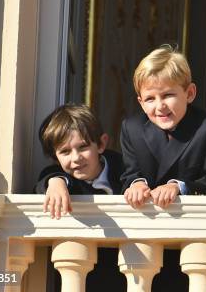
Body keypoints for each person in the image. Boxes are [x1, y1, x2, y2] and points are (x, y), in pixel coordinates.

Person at [120, 45, 206, 209]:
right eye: (150, 99)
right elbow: (130, 173)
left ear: (190, 93)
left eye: (168, 95)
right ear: (141, 103)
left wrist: (178, 186)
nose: (160, 106)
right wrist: (136, 184)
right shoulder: (132, 128)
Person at [34, 103, 126, 291]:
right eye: (65, 151)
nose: (75, 158)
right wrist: (55, 182)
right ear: (55, 156)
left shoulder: (123, 169)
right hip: (82, 274)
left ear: (101, 144)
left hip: (125, 268)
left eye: (83, 147)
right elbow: (45, 179)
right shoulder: (60, 177)